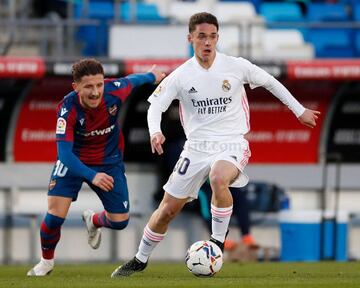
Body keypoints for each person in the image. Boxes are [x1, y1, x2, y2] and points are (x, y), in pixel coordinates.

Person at [111, 12, 320, 277]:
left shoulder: (235, 66)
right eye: (201, 36)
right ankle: (140, 260)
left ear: (218, 37)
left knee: (218, 178)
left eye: (212, 36)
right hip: (196, 147)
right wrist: (155, 132)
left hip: (231, 143)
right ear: (190, 38)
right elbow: (155, 106)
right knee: (166, 210)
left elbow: (270, 82)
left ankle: (217, 243)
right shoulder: (181, 75)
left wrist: (299, 110)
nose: (207, 42)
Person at [27, 58, 166, 276]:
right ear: (76, 87)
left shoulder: (114, 91)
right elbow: (64, 154)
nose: (95, 92)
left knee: (120, 221)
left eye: (99, 85)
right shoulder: (67, 109)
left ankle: (93, 220)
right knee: (54, 216)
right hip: (74, 162)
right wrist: (92, 176)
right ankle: (46, 262)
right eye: (88, 87)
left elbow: (132, 80)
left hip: (109, 161)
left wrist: (152, 76)